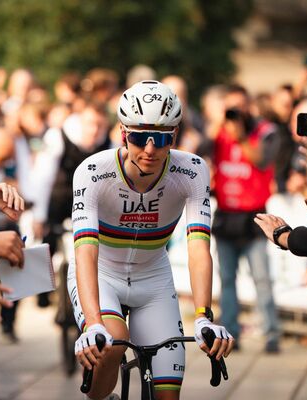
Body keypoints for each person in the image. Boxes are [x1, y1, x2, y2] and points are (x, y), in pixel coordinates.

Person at [70, 81, 233, 400]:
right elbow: (86, 252)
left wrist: (203, 315)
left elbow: (199, 247)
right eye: (139, 137)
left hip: (154, 278)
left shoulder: (192, 171)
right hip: (103, 272)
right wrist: (93, 324)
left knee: (168, 395)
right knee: (112, 340)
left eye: (160, 139)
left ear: (173, 136)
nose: (149, 149)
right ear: (122, 133)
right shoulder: (93, 171)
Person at [211, 84, 282, 354]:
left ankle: (271, 334)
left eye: (239, 106)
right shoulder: (219, 131)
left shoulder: (264, 132)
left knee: (261, 279)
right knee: (227, 280)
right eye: (230, 107)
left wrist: (240, 137)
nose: (235, 112)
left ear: (249, 105)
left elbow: (261, 161)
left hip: (255, 217)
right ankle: (230, 333)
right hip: (226, 215)